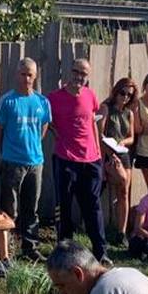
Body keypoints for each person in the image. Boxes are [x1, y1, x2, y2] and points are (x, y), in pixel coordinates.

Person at [48, 59, 109, 264]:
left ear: (87, 76)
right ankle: (64, 253)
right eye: (76, 72)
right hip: (65, 159)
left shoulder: (90, 96)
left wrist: (99, 154)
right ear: (69, 72)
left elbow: (93, 121)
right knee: (63, 207)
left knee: (93, 207)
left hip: (91, 160)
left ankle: (101, 253)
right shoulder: (54, 98)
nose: (79, 77)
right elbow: (48, 123)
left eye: (83, 74)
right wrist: (59, 136)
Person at [0, 58, 52, 262]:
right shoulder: (7, 101)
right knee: (9, 209)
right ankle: (6, 251)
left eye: (30, 75)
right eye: (22, 74)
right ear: (16, 74)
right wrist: (6, 152)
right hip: (12, 162)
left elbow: (43, 129)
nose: (26, 78)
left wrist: (32, 148)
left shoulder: (43, 102)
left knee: (31, 208)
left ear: (35, 77)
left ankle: (30, 248)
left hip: (35, 162)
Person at [98, 78, 137, 245]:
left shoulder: (129, 113)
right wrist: (109, 152)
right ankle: (94, 228)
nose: (125, 97)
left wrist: (123, 143)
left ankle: (121, 233)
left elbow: (131, 137)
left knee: (124, 192)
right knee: (106, 187)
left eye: (129, 95)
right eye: (123, 93)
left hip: (123, 154)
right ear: (116, 91)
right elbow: (99, 135)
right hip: (107, 152)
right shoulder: (106, 108)